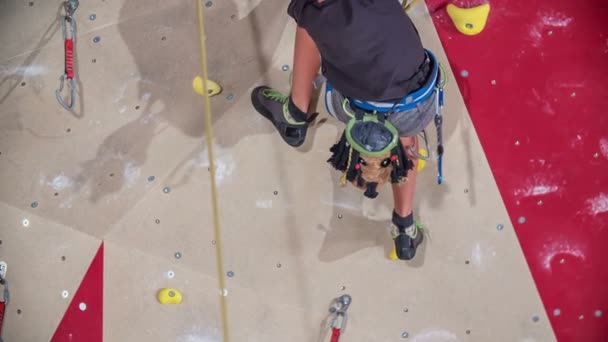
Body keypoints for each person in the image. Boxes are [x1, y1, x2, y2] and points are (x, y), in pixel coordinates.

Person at [250, 0, 443, 260]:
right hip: (414, 103)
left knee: (308, 26)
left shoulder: (312, 12)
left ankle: (295, 113)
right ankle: (404, 227)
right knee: (404, 141)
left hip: (353, 105)